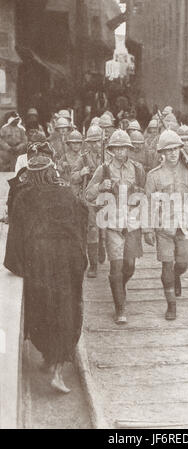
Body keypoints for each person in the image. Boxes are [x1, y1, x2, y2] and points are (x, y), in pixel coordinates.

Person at [4, 155, 88, 393]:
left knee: (41, 309)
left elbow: (16, 236)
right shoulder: (67, 194)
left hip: (38, 263)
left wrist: (18, 265)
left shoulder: (23, 197)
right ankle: (57, 370)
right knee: (65, 311)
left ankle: (48, 357)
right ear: (52, 172)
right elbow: (83, 218)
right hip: (65, 262)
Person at [86, 130, 146, 324]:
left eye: (124, 148)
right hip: (112, 224)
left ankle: (120, 287)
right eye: (117, 148)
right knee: (116, 267)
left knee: (129, 266)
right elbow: (88, 195)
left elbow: (146, 194)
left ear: (129, 149)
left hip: (132, 223)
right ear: (111, 150)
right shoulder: (103, 169)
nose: (120, 151)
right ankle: (120, 308)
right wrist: (101, 186)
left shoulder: (137, 169)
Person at [144, 130, 188, 321]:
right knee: (167, 265)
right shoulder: (154, 176)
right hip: (164, 227)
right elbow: (148, 203)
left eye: (176, 149)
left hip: (184, 225)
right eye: (168, 150)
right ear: (162, 153)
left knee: (183, 263)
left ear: (180, 150)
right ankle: (171, 305)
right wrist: (148, 229)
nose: (173, 153)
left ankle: (177, 276)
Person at [71, 125, 105, 275]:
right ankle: (93, 265)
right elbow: (72, 177)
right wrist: (81, 173)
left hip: (106, 196)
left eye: (98, 141)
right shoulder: (83, 158)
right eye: (92, 142)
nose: (95, 145)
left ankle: (101, 246)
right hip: (89, 198)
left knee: (105, 228)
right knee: (92, 229)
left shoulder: (108, 157)